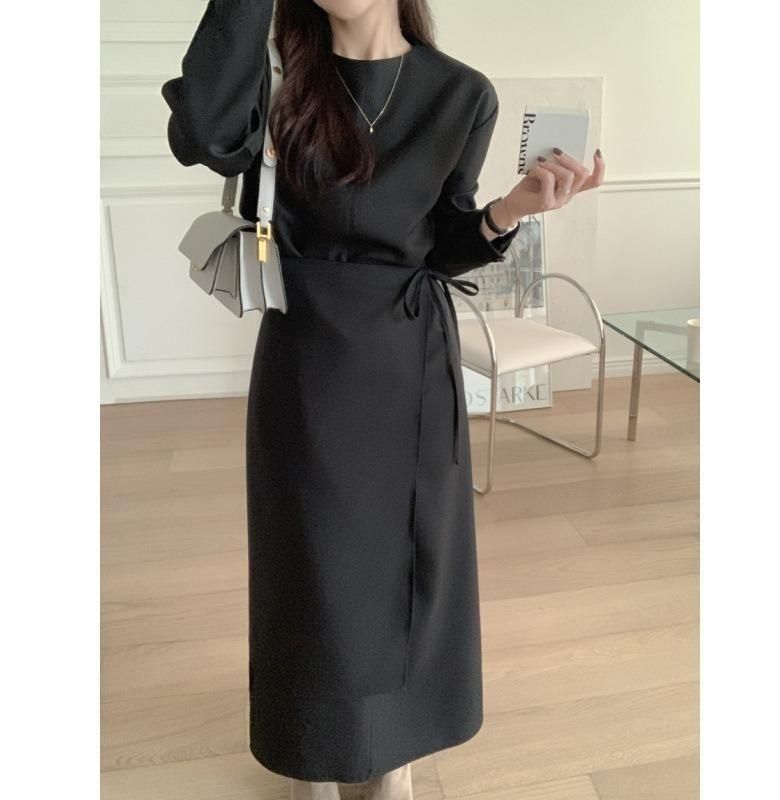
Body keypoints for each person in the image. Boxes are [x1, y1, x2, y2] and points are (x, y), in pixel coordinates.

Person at [161, 1, 605, 798]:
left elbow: (441, 243)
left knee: (404, 566)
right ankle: (313, 752)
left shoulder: (461, 93)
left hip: (407, 359)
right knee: (311, 565)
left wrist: (511, 211)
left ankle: (392, 754)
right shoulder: (279, 78)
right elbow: (203, 132)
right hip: (307, 356)